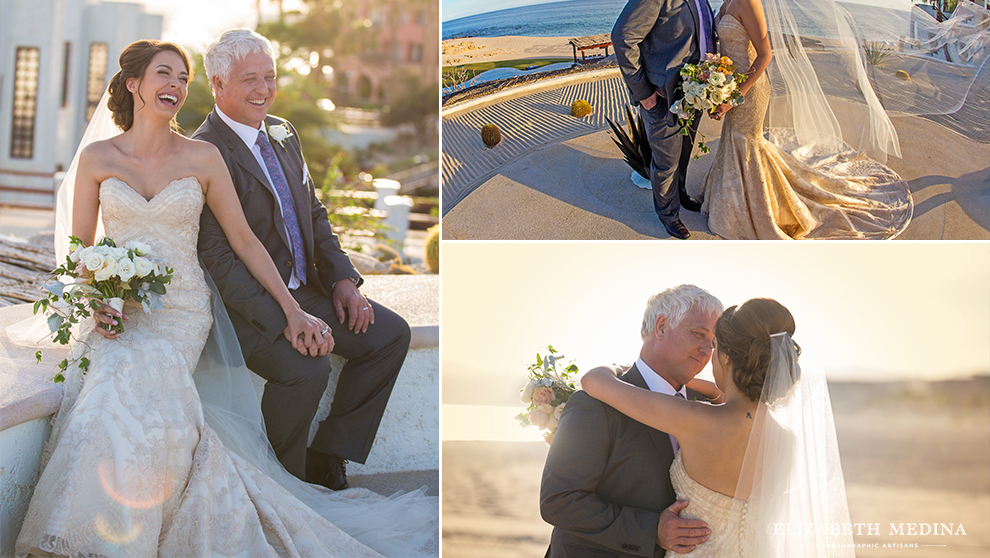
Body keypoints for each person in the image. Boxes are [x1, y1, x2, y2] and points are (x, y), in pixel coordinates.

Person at [14, 40, 436, 558]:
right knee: (107, 391)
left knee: (148, 382)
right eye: (163, 74)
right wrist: (98, 296)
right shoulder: (98, 158)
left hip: (182, 312)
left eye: (180, 77)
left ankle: (133, 534)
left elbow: (248, 240)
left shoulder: (202, 155)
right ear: (133, 84)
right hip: (122, 310)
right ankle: (80, 538)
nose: (173, 85)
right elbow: (80, 250)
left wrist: (296, 306)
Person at [192, 28, 412, 489]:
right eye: (249, 78)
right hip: (246, 310)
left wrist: (343, 281)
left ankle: (327, 455)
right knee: (305, 370)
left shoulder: (283, 132)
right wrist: (285, 319)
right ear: (218, 84)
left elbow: (312, 214)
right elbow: (218, 259)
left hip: (308, 291)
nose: (263, 89)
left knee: (390, 335)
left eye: (269, 77)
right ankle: (278, 480)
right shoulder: (204, 151)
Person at [580, 298, 854, 557]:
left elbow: (593, 380)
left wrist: (619, 367)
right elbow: (739, 405)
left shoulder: (695, 419)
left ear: (726, 357)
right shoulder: (787, 437)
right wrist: (704, 386)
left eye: (715, 346)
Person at [699, 0, 912, 239]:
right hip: (730, 85)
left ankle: (756, 209)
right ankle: (730, 202)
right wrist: (714, 84)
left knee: (747, 144)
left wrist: (734, 95)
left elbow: (765, 54)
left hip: (750, 90)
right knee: (734, 143)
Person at [540, 284, 724, 557]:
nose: (707, 349)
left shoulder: (710, 406)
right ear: (660, 327)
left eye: (714, 341)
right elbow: (559, 500)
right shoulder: (594, 402)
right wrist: (651, 530)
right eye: (698, 333)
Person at [612, 0, 720, 240]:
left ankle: (681, 194)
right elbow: (623, 37)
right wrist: (644, 93)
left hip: (695, 91)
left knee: (684, 149)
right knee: (666, 162)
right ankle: (667, 214)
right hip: (662, 94)